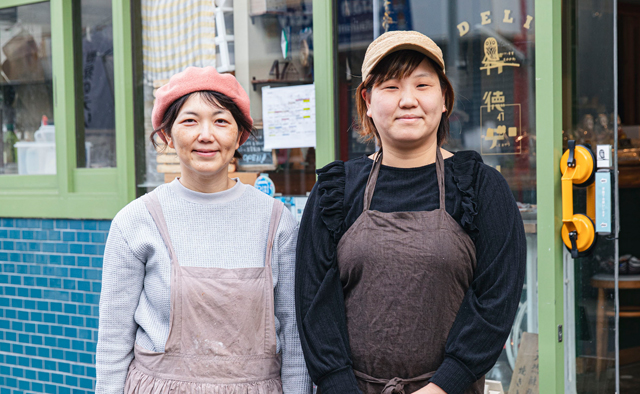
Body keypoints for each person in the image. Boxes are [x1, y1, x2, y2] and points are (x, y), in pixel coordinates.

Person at [295, 31, 526, 394]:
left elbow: (495, 301)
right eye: (390, 87)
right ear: (367, 101)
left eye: (422, 85)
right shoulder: (335, 191)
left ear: (444, 98)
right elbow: (314, 304)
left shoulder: (480, 187)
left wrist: (441, 386)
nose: (408, 100)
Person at [96, 66, 312, 394]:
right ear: (167, 135)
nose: (206, 135)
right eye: (190, 121)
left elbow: (295, 342)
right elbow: (113, 344)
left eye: (221, 120)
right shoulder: (136, 222)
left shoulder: (277, 222)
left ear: (240, 136)